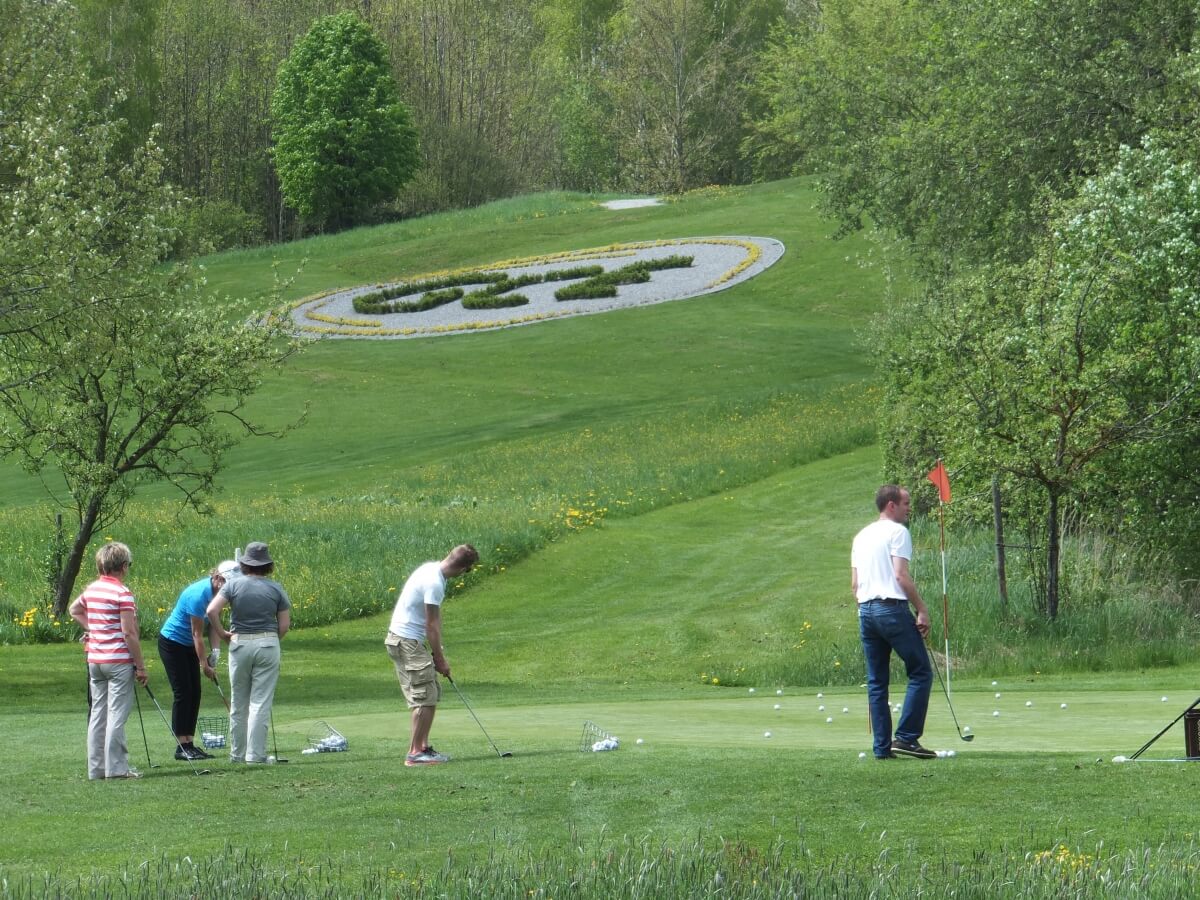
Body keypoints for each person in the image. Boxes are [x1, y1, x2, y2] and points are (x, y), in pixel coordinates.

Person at [851, 485, 935, 760]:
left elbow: (855, 584)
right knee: (921, 671)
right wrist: (921, 610)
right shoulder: (898, 532)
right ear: (891, 505)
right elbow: (900, 576)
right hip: (891, 609)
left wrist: (866, 609)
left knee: (877, 682)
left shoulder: (861, 536)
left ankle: (882, 748)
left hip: (866, 610)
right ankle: (907, 738)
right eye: (906, 503)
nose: (909, 508)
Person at [385, 544, 479, 766]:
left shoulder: (430, 569)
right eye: (467, 570)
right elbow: (432, 624)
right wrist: (440, 658)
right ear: (462, 568)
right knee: (424, 696)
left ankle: (423, 748)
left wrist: (438, 653)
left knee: (431, 692)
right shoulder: (435, 582)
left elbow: (432, 625)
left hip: (404, 639)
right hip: (407, 640)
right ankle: (415, 753)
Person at [69, 541, 148, 780]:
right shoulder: (122, 593)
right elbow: (129, 633)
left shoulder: (92, 589)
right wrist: (141, 666)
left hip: (95, 659)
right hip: (118, 660)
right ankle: (116, 769)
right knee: (116, 715)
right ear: (123, 566)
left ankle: (96, 769)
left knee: (98, 714)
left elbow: (74, 609)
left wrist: (95, 628)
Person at [206, 542, 290, 764]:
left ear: (244, 563)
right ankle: (255, 755)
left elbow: (212, 610)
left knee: (239, 702)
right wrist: (270, 639)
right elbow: (284, 626)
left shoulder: (232, 585)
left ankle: (237, 754)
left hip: (239, 643)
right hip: (268, 644)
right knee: (260, 703)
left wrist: (222, 633)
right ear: (267, 566)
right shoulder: (275, 588)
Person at [157, 560, 239, 761]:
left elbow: (213, 626)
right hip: (173, 643)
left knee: (195, 692)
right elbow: (196, 633)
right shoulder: (199, 594)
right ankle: (181, 746)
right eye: (228, 582)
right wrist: (204, 665)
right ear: (218, 578)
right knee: (183, 692)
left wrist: (216, 654)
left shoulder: (218, 595)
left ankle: (190, 744)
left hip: (189, 645)